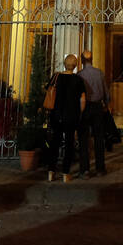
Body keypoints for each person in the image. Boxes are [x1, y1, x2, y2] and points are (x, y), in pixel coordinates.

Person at [46, 53, 85, 183]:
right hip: (71, 116)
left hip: (56, 115)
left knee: (55, 143)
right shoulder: (78, 80)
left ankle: (51, 172)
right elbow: (83, 100)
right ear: (75, 66)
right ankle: (65, 173)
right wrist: (80, 113)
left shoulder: (55, 77)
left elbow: (48, 92)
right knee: (69, 144)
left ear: (64, 64)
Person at [76, 48, 109, 177]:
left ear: (82, 61)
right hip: (97, 107)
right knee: (99, 138)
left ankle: (85, 170)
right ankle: (100, 169)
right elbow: (106, 92)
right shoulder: (99, 73)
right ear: (92, 59)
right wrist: (106, 105)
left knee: (84, 139)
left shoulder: (79, 75)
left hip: (84, 108)